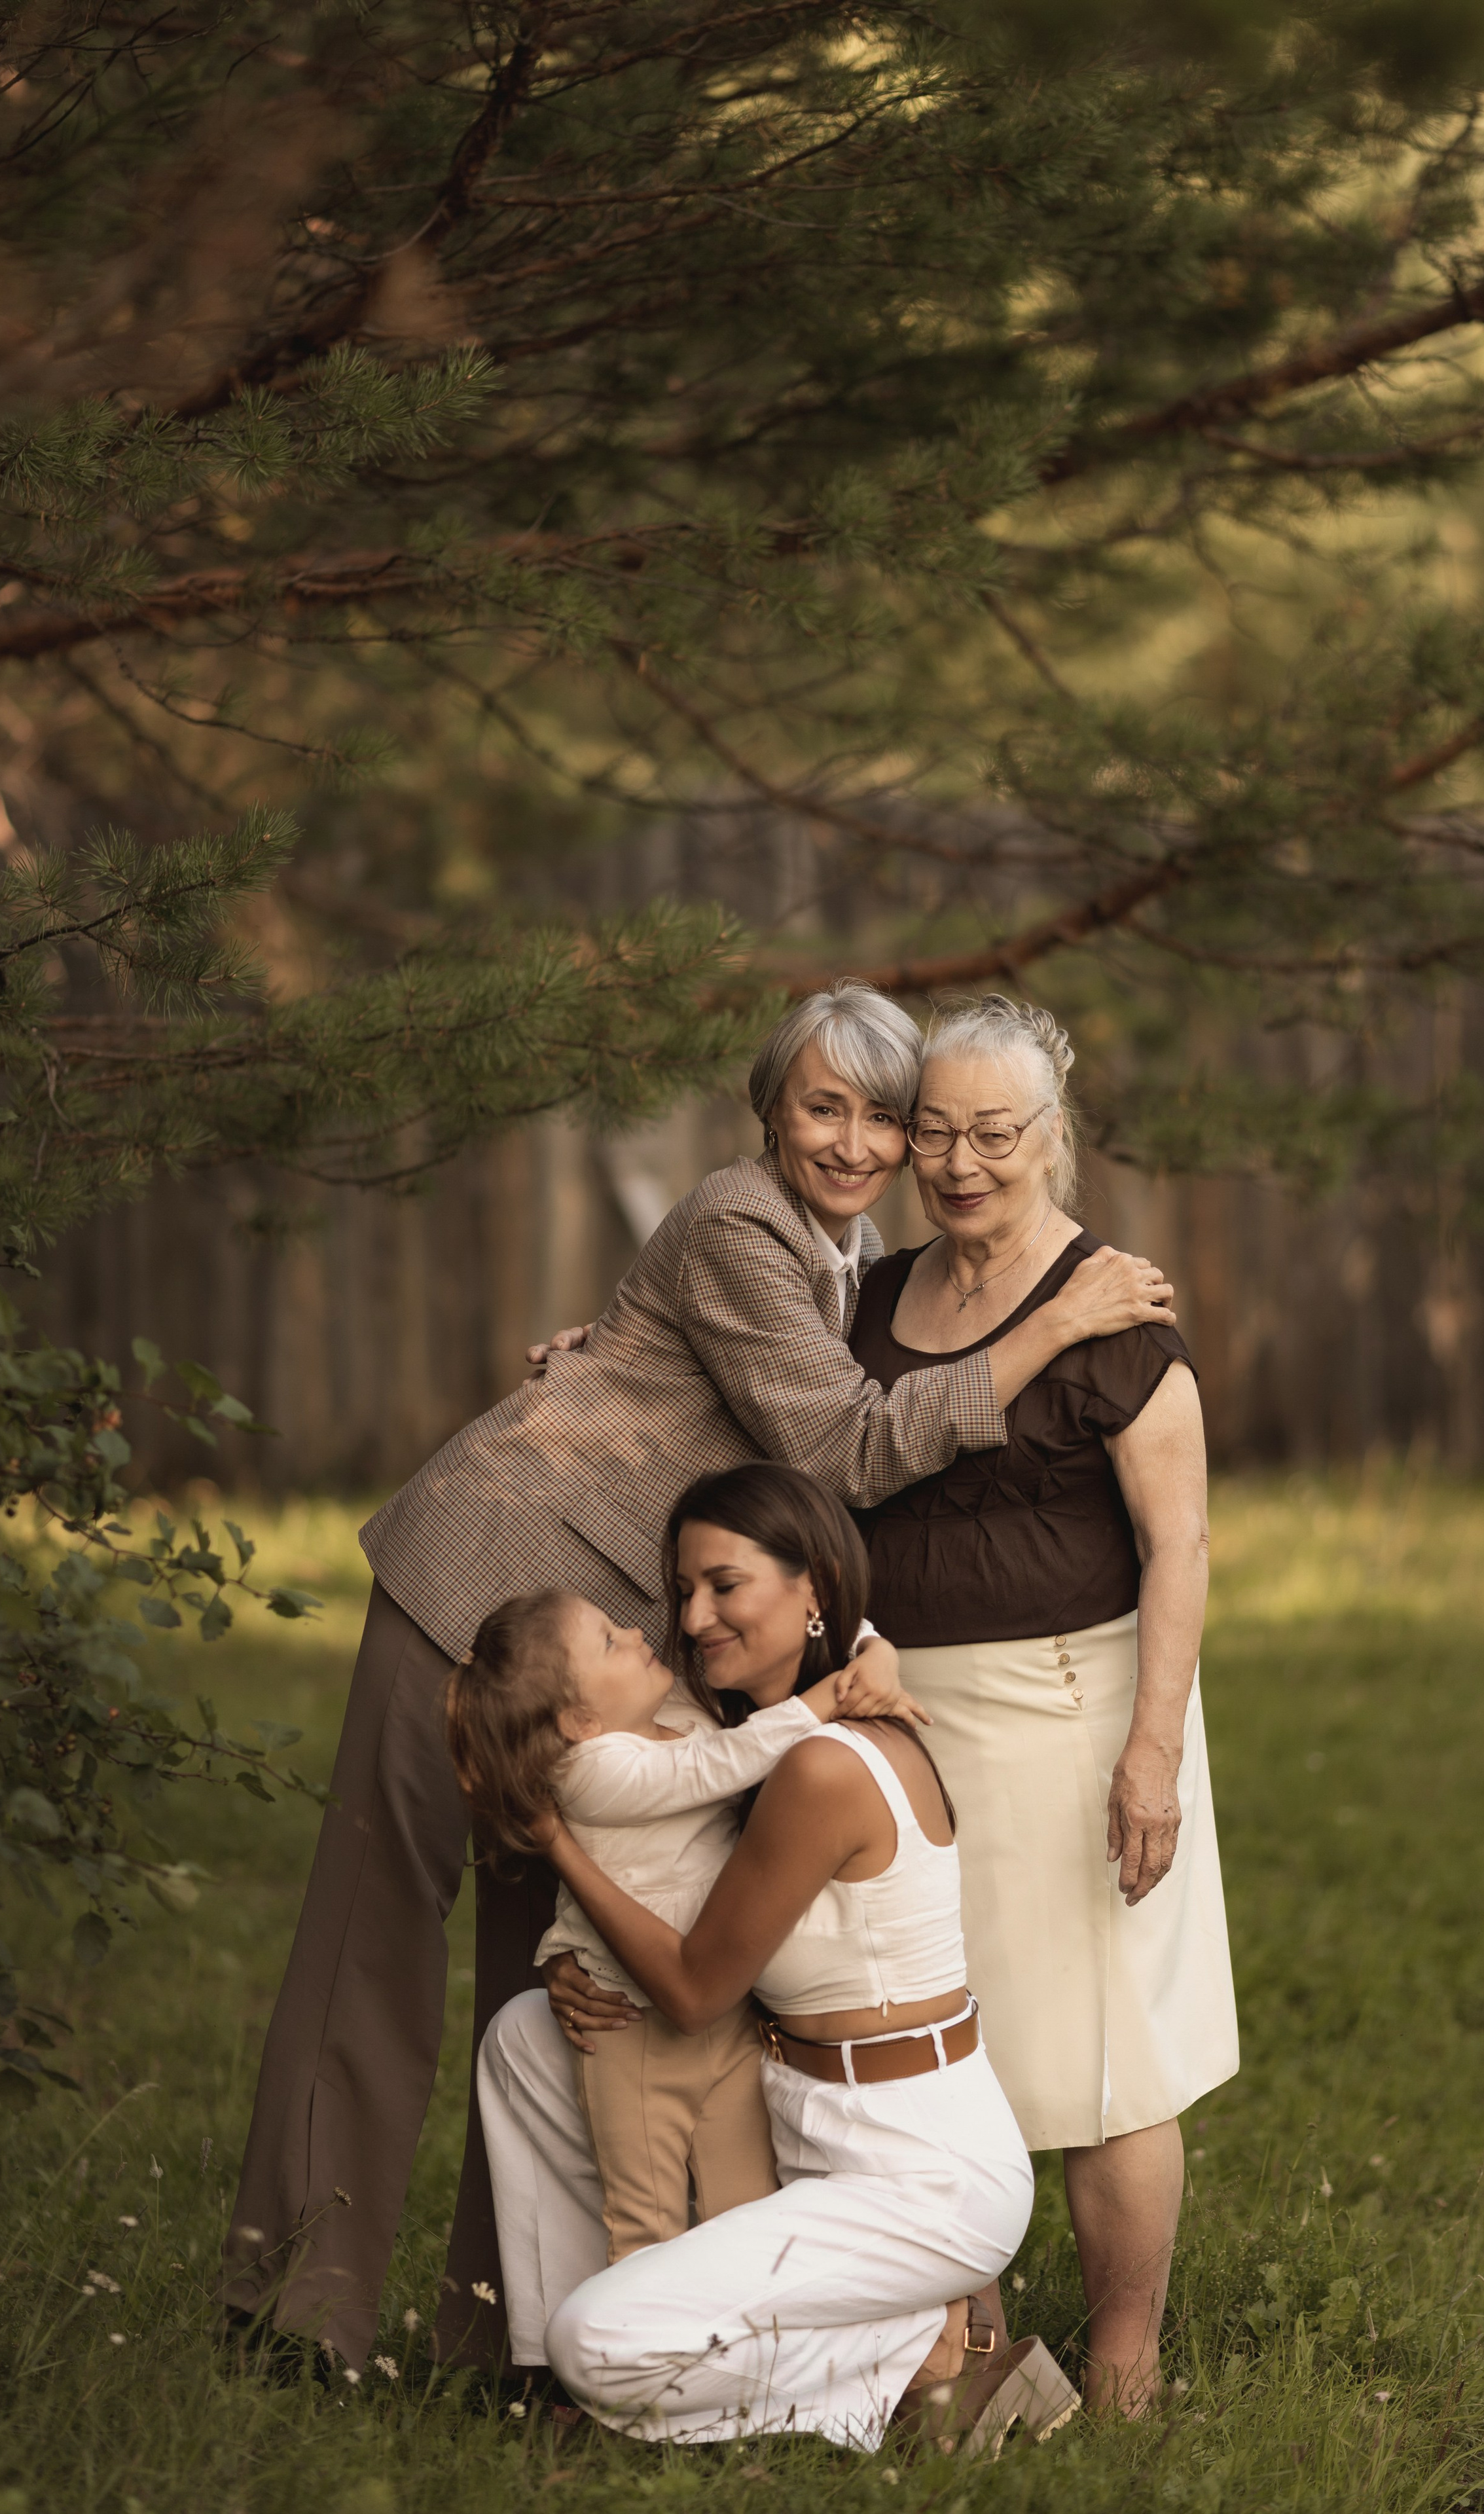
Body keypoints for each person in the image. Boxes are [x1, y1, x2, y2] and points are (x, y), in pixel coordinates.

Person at [221, 979, 1174, 2373]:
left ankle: (504, 2341)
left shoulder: (848, 1269)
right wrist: (1051, 1322)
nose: (853, 1144)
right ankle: (294, 2317)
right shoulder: (738, 1219)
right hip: (475, 1582)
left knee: (558, 1990)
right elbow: (847, 1448)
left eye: (882, 1118)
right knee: (375, 1928)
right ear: (768, 1109)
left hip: (615, 1658)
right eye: (821, 1107)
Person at [481, 1465, 1078, 2451]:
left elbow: (691, 1988)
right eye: (683, 1591)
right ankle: (589, 2381)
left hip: (915, 2169)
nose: (694, 1615)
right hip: (803, 2110)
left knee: (596, 2343)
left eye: (726, 1585)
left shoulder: (820, 1765)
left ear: (813, 1592)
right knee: (524, 2037)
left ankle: (925, 2360)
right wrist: (567, 1957)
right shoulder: (742, 1735)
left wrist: (556, 1846)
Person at [846, 993, 1239, 2415]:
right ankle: (980, 2364)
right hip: (898, 1727)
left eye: (990, 1133)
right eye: (933, 1132)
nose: (957, 1161)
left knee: (1103, 2059)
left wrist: (1148, 1753)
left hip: (1076, 1716)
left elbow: (1177, 1546)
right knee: (941, 2053)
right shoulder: (867, 1299)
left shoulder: (1116, 1309)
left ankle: (1123, 2366)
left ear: (1049, 1137)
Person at [445, 1584, 922, 2265]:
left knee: (749, 2209)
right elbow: (715, 1767)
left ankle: (746, 2362)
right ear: (580, 1720)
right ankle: (636, 2363)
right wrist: (831, 1700)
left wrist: (872, 1647)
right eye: (610, 1640)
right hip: (633, 2034)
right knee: (645, 2224)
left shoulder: (672, 1708)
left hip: (730, 2017)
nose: (637, 1634)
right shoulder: (590, 1771)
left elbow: (807, 1625)